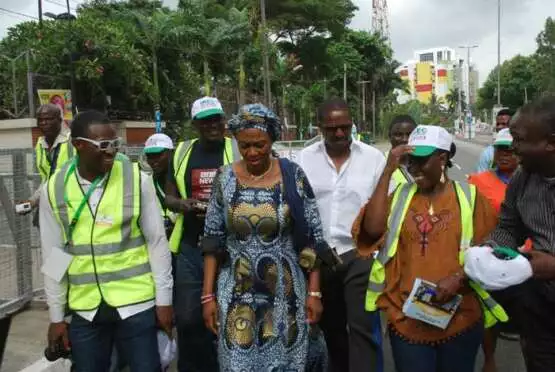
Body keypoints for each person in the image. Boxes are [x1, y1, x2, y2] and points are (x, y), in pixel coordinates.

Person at [353, 125, 505, 372]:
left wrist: (458, 278)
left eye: (421, 160)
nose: (413, 167)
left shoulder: (469, 196)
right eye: (409, 160)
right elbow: (371, 230)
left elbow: (491, 248)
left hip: (460, 317)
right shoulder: (400, 196)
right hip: (407, 319)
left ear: (442, 158)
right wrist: (388, 171)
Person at [39, 110, 173, 372]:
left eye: (115, 144)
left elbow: (156, 243)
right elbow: (54, 255)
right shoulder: (54, 189)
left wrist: (164, 301)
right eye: (103, 145)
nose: (111, 151)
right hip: (85, 309)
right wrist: (56, 316)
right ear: (77, 145)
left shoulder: (137, 180)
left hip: (136, 305)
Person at [201, 103, 330, 370]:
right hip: (237, 291)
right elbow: (212, 239)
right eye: (244, 145)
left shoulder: (293, 177)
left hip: (286, 293)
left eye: (259, 144)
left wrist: (314, 292)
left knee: (284, 362)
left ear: (272, 139)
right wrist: (207, 297)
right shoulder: (224, 179)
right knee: (237, 362)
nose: (251, 152)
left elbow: (312, 238)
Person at [297, 98, 386, 372]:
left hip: (359, 255)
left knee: (362, 330)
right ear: (320, 127)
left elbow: (384, 207)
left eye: (345, 127)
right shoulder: (304, 159)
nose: (339, 134)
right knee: (328, 328)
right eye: (332, 128)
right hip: (319, 258)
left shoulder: (373, 158)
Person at [165, 96, 240, 372]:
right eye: (206, 121)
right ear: (195, 124)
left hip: (229, 249)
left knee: (228, 315)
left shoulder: (237, 148)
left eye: (217, 119)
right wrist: (183, 205)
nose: (213, 125)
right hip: (190, 248)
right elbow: (169, 196)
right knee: (187, 319)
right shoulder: (182, 152)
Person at [485, 96, 555, 372]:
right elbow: (508, 227)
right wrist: (488, 251)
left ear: (550, 142)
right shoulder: (522, 179)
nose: (513, 148)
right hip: (541, 313)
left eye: (520, 139)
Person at [468, 127, 523, 372]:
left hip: (527, 261)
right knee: (488, 316)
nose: (505, 154)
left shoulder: (533, 181)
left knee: (530, 320)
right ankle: (489, 360)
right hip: (492, 256)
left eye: (511, 149)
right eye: (501, 149)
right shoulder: (478, 182)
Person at [17, 104, 74, 216]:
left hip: (73, 208)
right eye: (40, 120)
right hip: (52, 208)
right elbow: (47, 180)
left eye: (49, 119)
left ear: (59, 120)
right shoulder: (40, 144)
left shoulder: (72, 142)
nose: (44, 123)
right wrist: (32, 201)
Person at [144, 133, 176, 238]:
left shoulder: (183, 180)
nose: (153, 161)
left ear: (172, 153)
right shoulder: (147, 183)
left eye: (158, 155)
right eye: (149, 157)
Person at [386, 115, 417, 188]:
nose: (405, 139)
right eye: (398, 135)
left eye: (409, 134)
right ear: (389, 136)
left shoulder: (425, 163)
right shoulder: (381, 163)